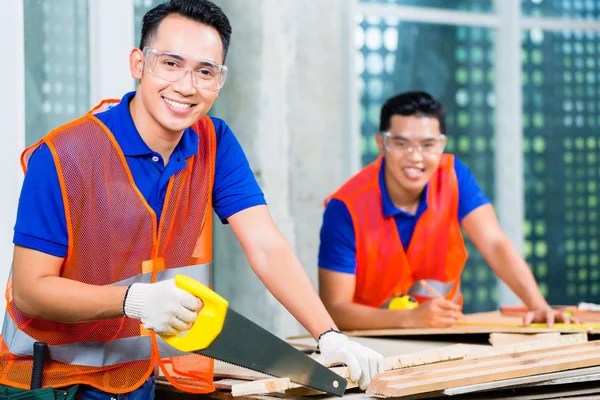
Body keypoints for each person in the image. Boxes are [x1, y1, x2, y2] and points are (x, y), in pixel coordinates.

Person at [0, 0, 383, 398]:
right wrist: (134, 300)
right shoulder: (65, 155)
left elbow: (267, 247)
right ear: (138, 63)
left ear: (220, 80)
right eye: (170, 63)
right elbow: (31, 290)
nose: (186, 86)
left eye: (205, 71)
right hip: (50, 382)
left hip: (137, 379)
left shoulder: (213, 143)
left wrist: (328, 335)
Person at [317, 91, 573, 331]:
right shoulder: (345, 208)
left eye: (428, 145)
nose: (415, 157)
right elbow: (334, 309)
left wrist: (537, 305)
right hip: (369, 346)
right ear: (381, 144)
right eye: (401, 144)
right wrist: (407, 319)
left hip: (444, 334)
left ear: (442, 145)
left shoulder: (453, 176)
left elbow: (495, 243)